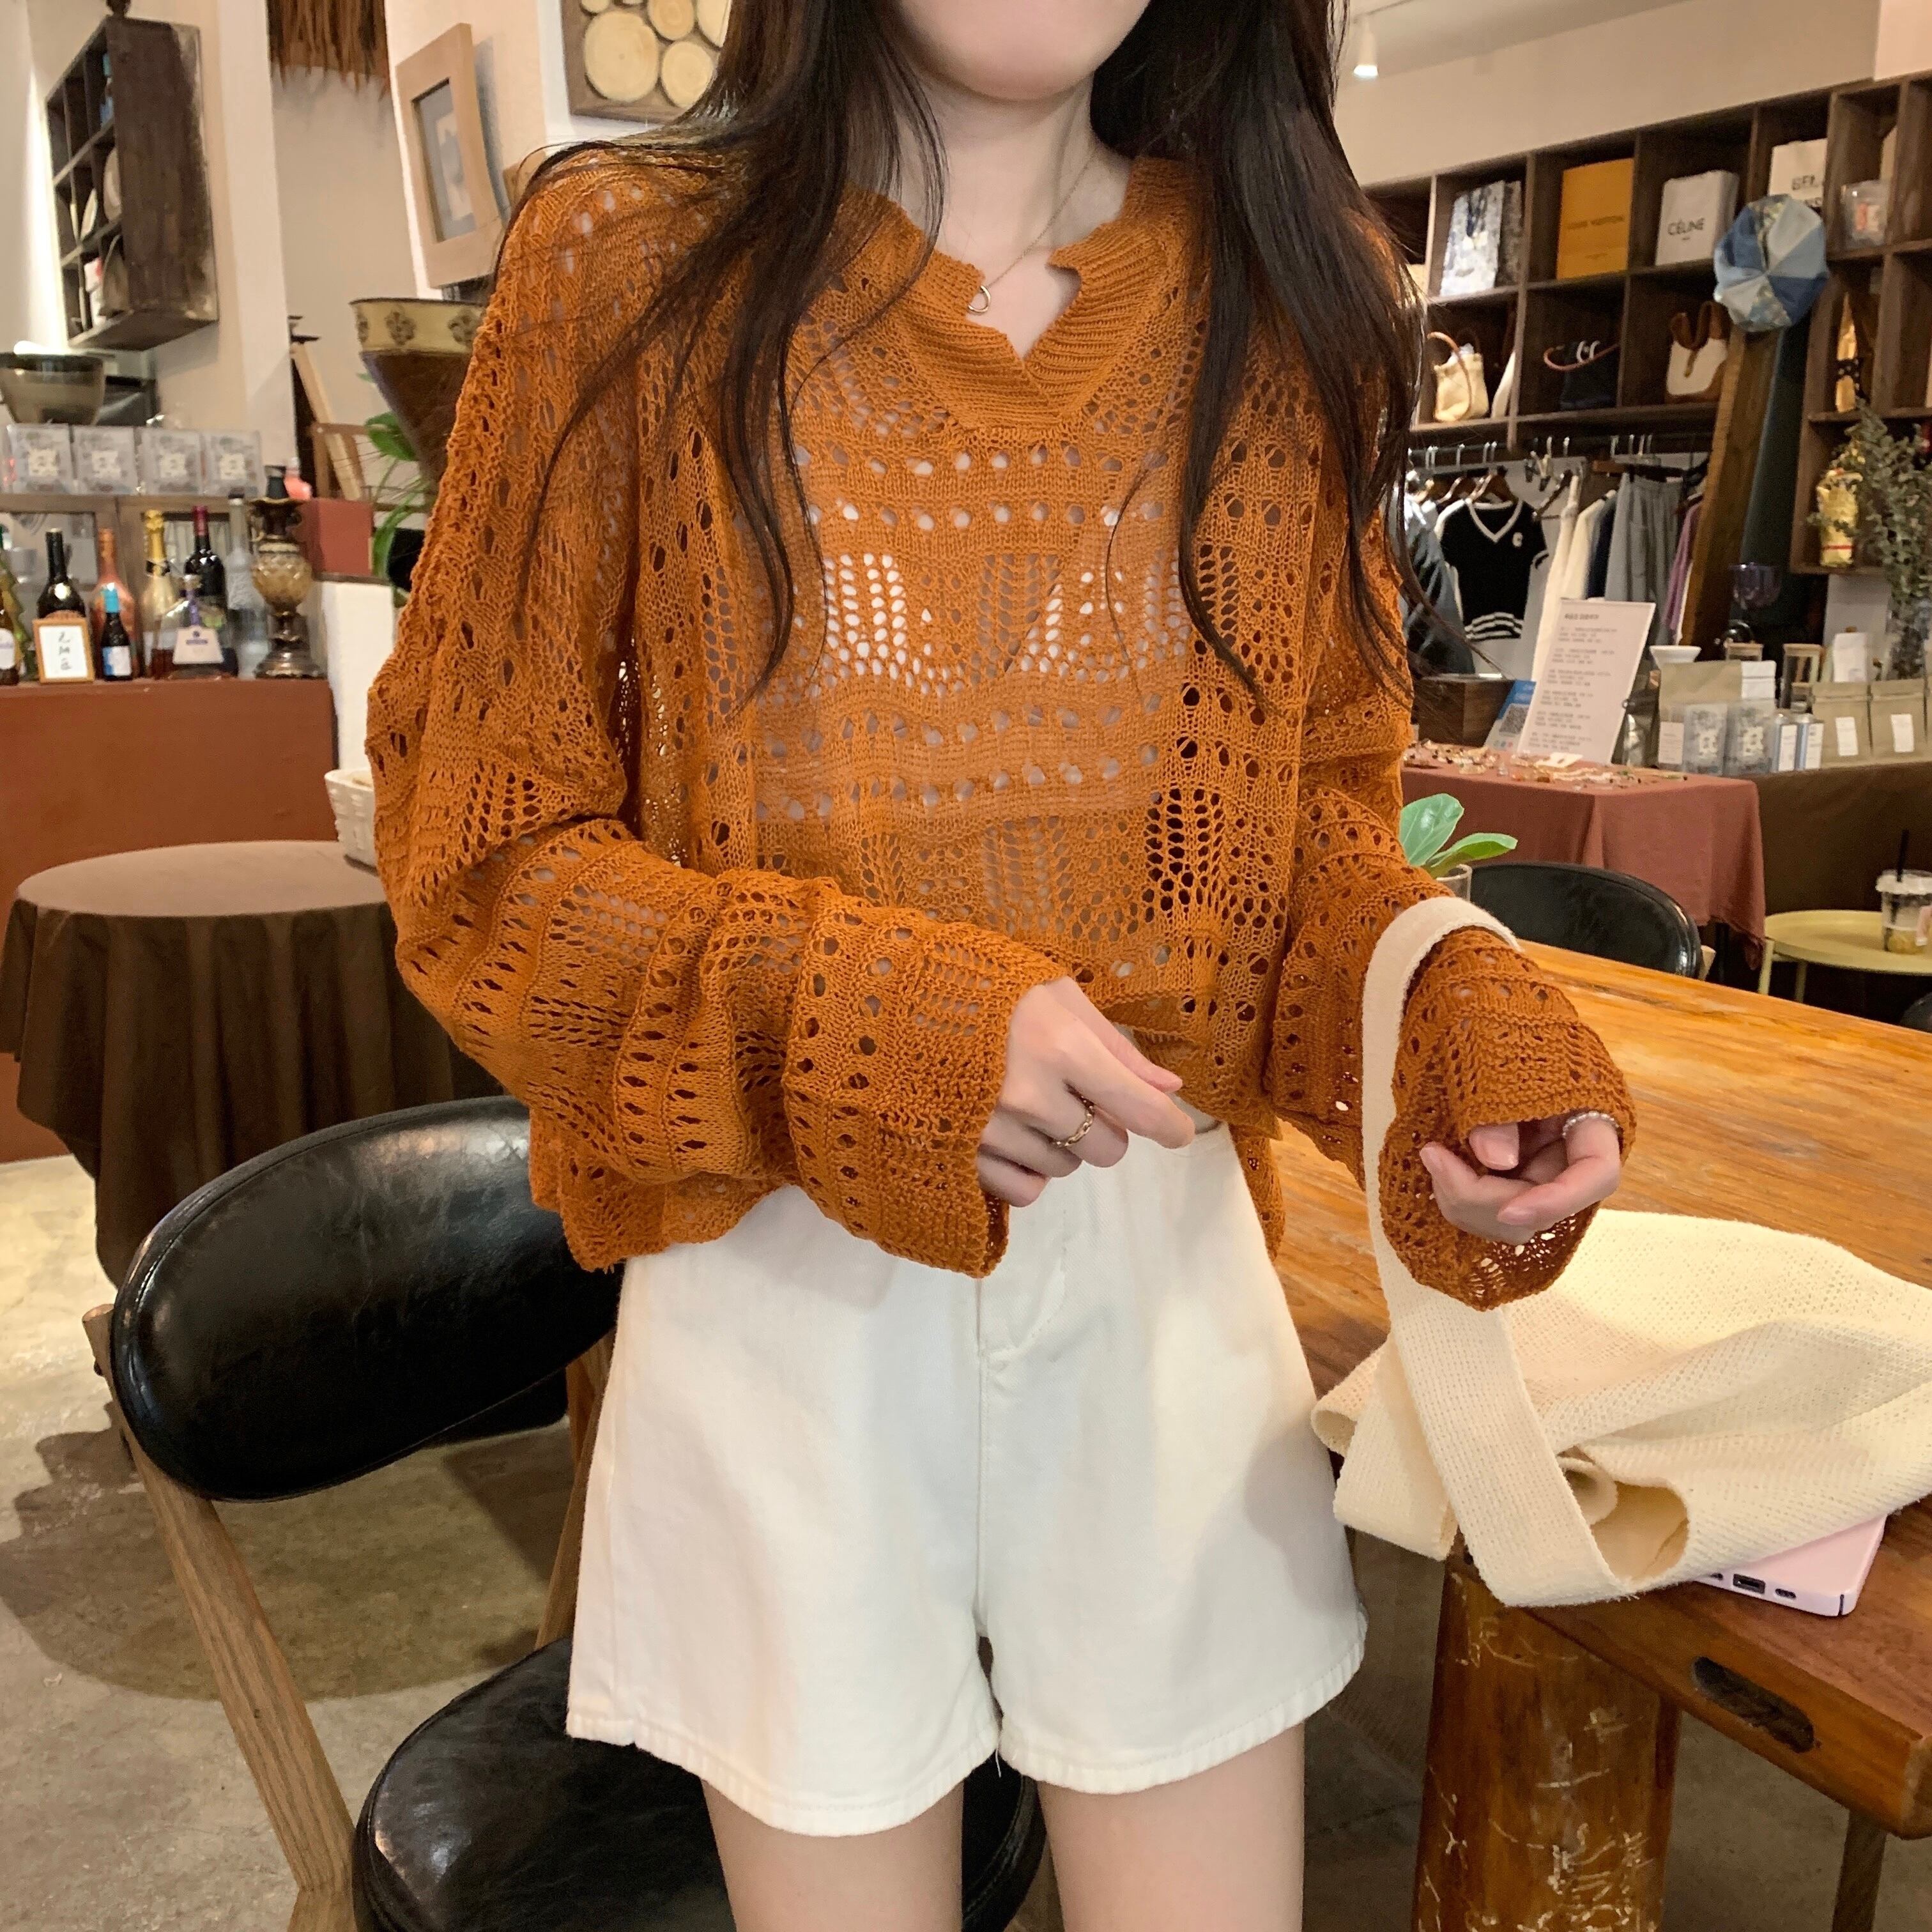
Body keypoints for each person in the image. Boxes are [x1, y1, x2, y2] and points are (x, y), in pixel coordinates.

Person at [368, 3, 1632, 1925]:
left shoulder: (1283, 300)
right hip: (785, 1297)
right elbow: (481, 859)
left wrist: (1438, 1005)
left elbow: (1298, 844)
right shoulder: (631, 269)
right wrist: (869, 1024)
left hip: (1162, 1292)